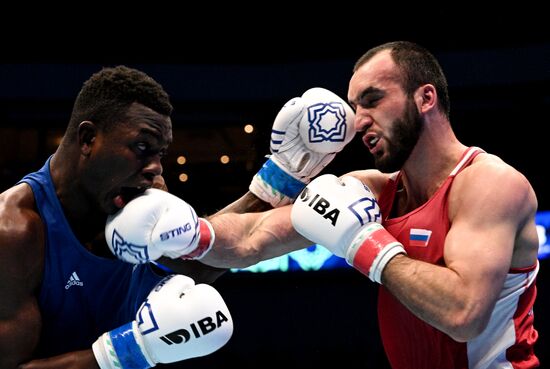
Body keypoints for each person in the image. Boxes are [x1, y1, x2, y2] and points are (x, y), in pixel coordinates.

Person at [110, 41, 540, 368]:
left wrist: (365, 243)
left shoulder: (490, 183)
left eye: (372, 100)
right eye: (354, 106)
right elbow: (252, 240)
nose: (358, 120)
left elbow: (464, 313)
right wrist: (186, 231)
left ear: (425, 98)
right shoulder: (370, 189)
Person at [0, 65, 356, 368]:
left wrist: (282, 177)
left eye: (160, 153)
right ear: (88, 138)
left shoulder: (144, 189)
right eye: (142, 147)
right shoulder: (15, 232)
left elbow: (196, 261)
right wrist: (132, 350)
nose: (155, 167)